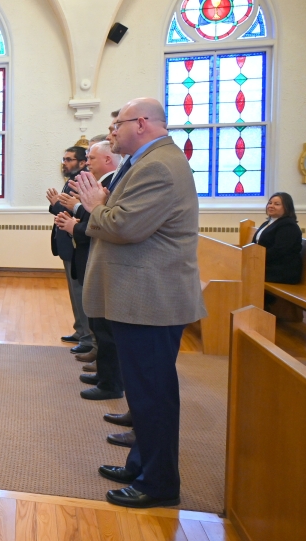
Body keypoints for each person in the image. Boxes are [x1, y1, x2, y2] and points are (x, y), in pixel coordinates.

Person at [77, 97, 206, 509]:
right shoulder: (145, 162)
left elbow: (125, 224)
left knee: (152, 395)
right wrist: (101, 205)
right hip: (141, 297)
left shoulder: (159, 167)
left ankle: (159, 483)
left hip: (152, 300)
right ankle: (141, 463)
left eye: (120, 122)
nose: (114, 129)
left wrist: (95, 205)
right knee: (145, 392)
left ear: (144, 123)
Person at [56, 142, 122, 401]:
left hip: (96, 252)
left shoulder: (108, 183)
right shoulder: (97, 182)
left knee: (102, 323)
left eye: (91, 158)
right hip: (87, 251)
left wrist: (75, 215)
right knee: (95, 317)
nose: (87, 162)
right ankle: (105, 375)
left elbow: (104, 222)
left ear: (107, 159)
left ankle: (110, 380)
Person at [47, 145, 94, 352]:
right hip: (68, 243)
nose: (64, 163)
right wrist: (56, 204)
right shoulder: (72, 180)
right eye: (64, 159)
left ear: (82, 163)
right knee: (74, 292)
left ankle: (88, 337)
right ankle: (80, 330)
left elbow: (78, 212)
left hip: (77, 244)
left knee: (80, 292)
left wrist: (55, 204)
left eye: (69, 159)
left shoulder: (81, 181)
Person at [252, 192, 303, 284]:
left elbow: (279, 251)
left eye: (277, 204)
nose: (271, 206)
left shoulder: (288, 225)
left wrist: (256, 259)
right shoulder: (267, 223)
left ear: (287, 207)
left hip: (282, 270)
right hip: (268, 265)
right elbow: (255, 243)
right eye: (270, 203)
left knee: (246, 272)